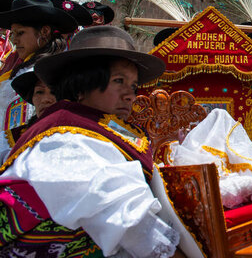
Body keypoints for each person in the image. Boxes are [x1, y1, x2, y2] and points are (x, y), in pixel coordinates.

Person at [0, 25, 182, 257]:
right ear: (81, 85)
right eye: (118, 81)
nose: (130, 95)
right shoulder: (65, 139)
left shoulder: (101, 127)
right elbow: (128, 222)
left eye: (134, 86)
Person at [0, 0, 78, 156]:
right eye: (13, 34)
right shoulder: (24, 67)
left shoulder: (39, 74)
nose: (14, 40)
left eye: (20, 33)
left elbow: (20, 128)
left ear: (44, 32)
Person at [8, 71, 56, 145]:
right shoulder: (9, 141)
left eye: (54, 92)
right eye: (39, 92)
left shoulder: (78, 135)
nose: (45, 99)